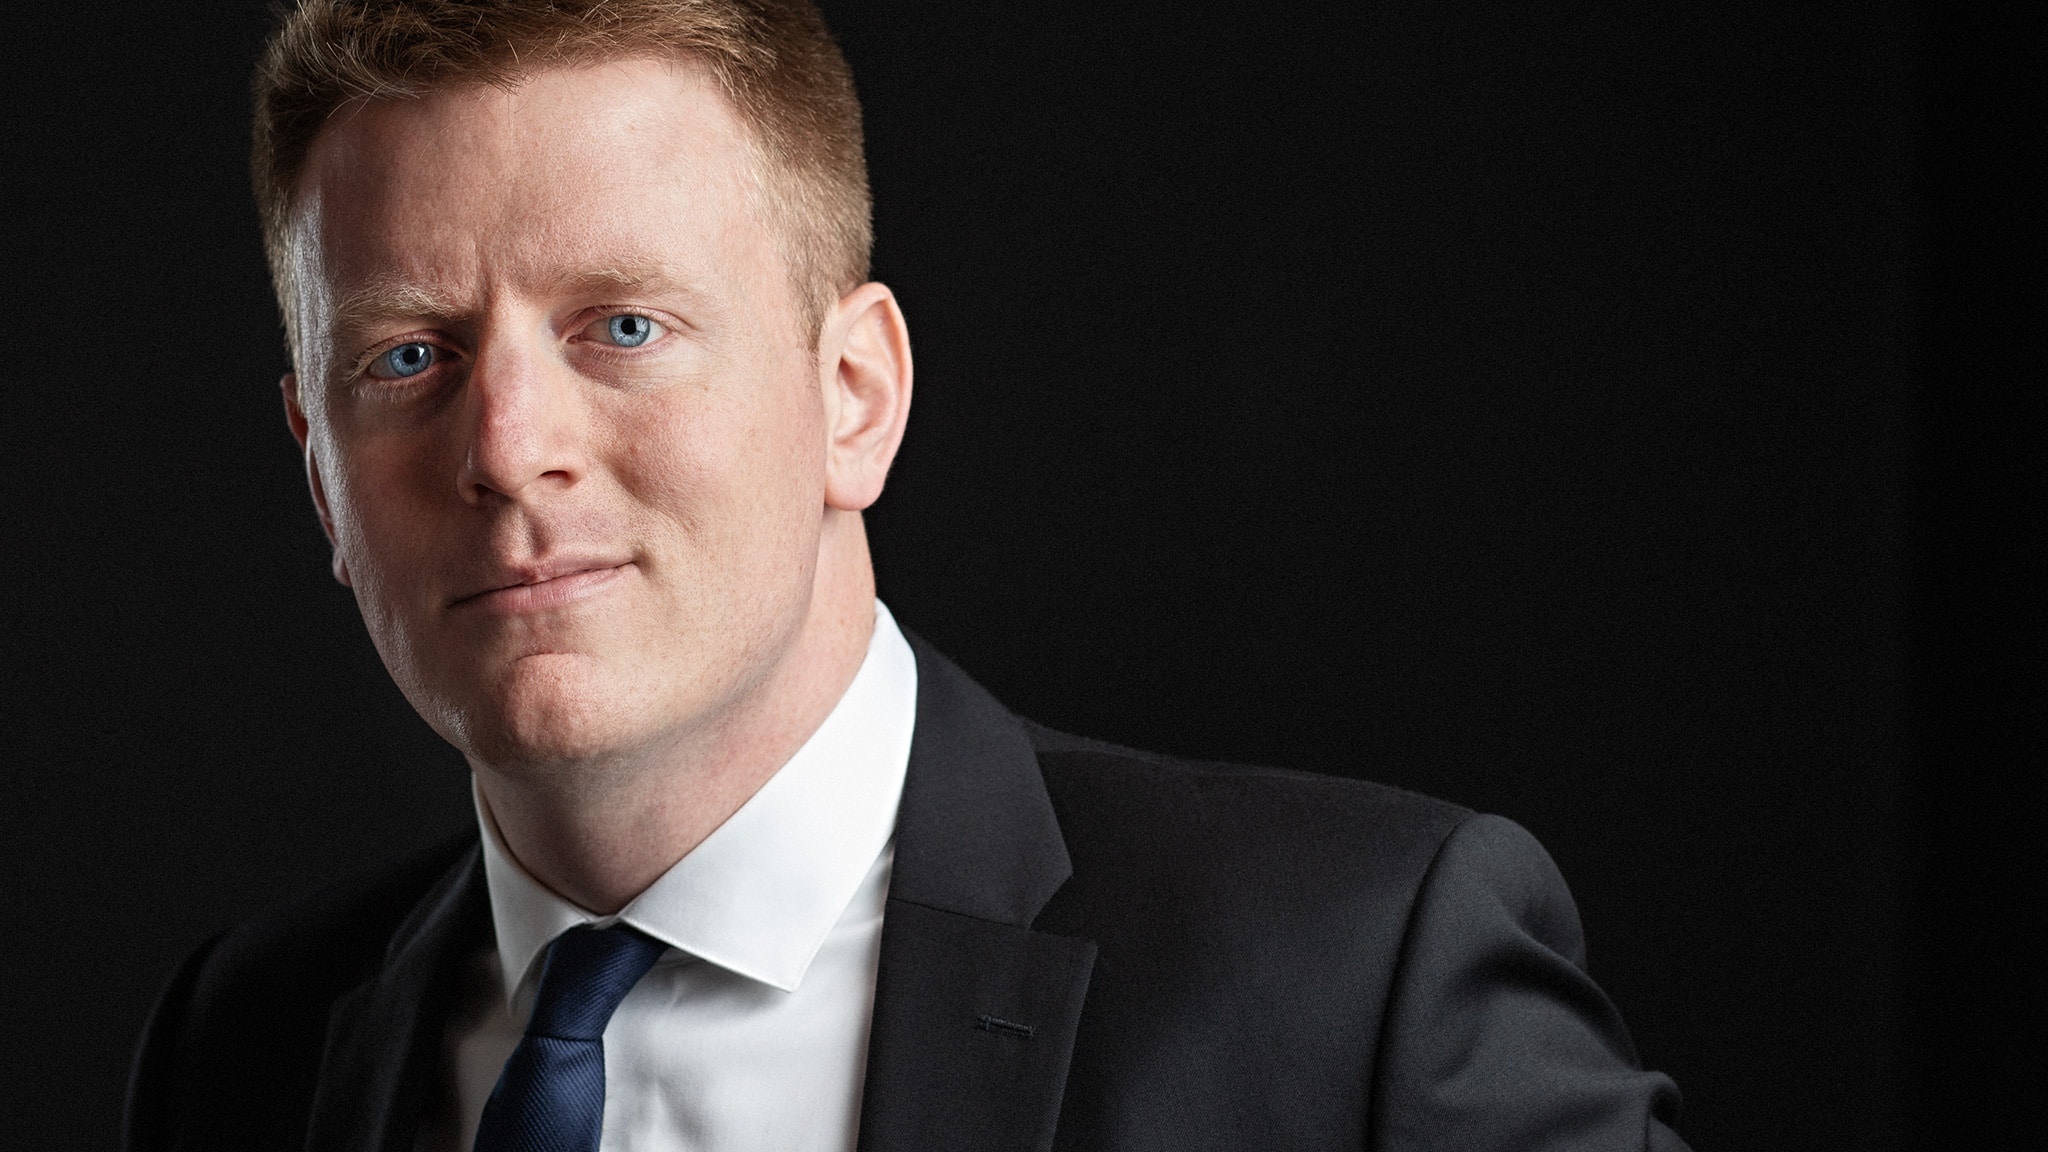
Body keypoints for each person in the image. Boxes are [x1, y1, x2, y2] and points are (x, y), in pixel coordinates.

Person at [124, 2, 1689, 1149]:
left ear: (855, 396)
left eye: (625, 327)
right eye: (409, 356)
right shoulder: (239, 1050)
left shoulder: (1359, 988)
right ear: (320, 469)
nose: (510, 446)